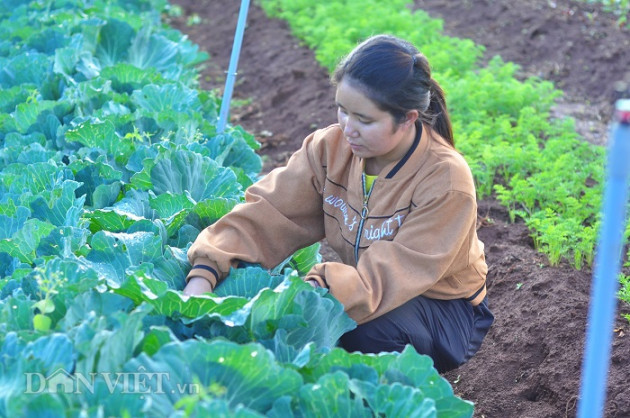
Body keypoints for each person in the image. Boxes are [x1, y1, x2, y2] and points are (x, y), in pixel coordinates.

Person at [183, 34, 494, 373]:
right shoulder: (330, 148)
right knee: (242, 280)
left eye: (365, 119)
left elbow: (393, 271)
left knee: (357, 332)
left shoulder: (446, 180)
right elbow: (269, 212)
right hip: (367, 285)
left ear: (407, 118)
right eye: (342, 111)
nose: (348, 128)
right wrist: (206, 271)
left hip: (442, 307)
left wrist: (319, 288)